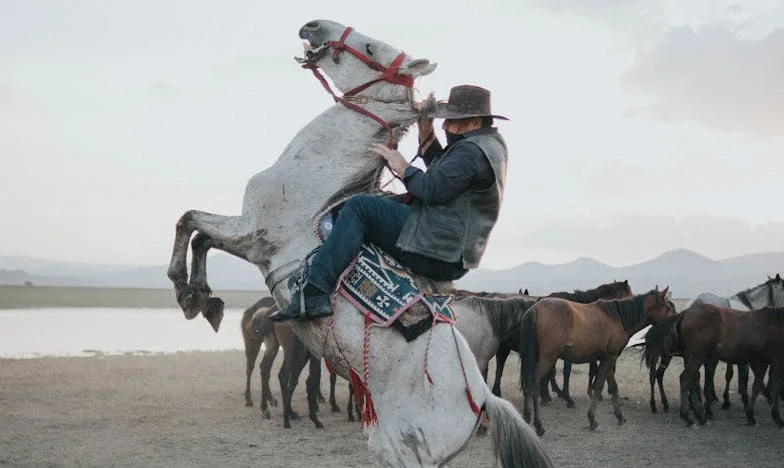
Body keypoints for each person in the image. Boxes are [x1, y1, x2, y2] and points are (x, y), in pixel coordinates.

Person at [269, 84, 509, 322]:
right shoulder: (488, 146)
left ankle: (314, 293)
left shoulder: (470, 152)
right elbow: (447, 177)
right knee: (372, 204)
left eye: (453, 121)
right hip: (449, 251)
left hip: (435, 248)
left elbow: (432, 189)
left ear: (475, 122)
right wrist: (426, 134)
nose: (445, 125)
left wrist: (402, 166)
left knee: (358, 207)